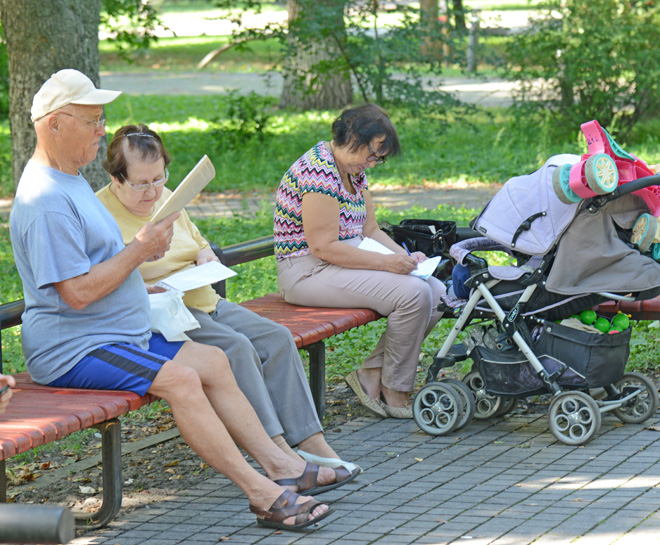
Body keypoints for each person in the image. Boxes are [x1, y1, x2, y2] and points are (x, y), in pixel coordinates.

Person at [8, 68, 353, 531]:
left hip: (116, 332)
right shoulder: (46, 199)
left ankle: (283, 464)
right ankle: (263, 494)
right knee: (183, 381)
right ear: (53, 124)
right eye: (90, 121)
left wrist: (136, 269)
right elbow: (76, 293)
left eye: (101, 118)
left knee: (212, 360)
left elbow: (95, 270)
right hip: (77, 347)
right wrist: (142, 250)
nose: (102, 130)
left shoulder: (68, 179)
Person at [96, 123, 360, 474]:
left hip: (204, 298)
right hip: (167, 315)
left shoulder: (168, 198)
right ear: (116, 180)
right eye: (141, 183)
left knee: (278, 338)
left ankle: (311, 442)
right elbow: (103, 277)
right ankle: (278, 451)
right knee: (236, 347)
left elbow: (197, 242)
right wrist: (140, 285)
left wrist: (206, 257)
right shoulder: (99, 214)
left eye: (158, 179)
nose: (153, 192)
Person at [274, 104, 446, 419]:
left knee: (435, 291)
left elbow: (370, 229)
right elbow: (323, 247)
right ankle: (395, 388)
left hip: (340, 262)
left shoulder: (354, 169)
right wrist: (387, 265)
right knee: (413, 294)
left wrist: (404, 258)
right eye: (374, 154)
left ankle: (371, 375)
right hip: (307, 271)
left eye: (379, 157)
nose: (375, 163)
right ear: (352, 138)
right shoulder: (319, 171)